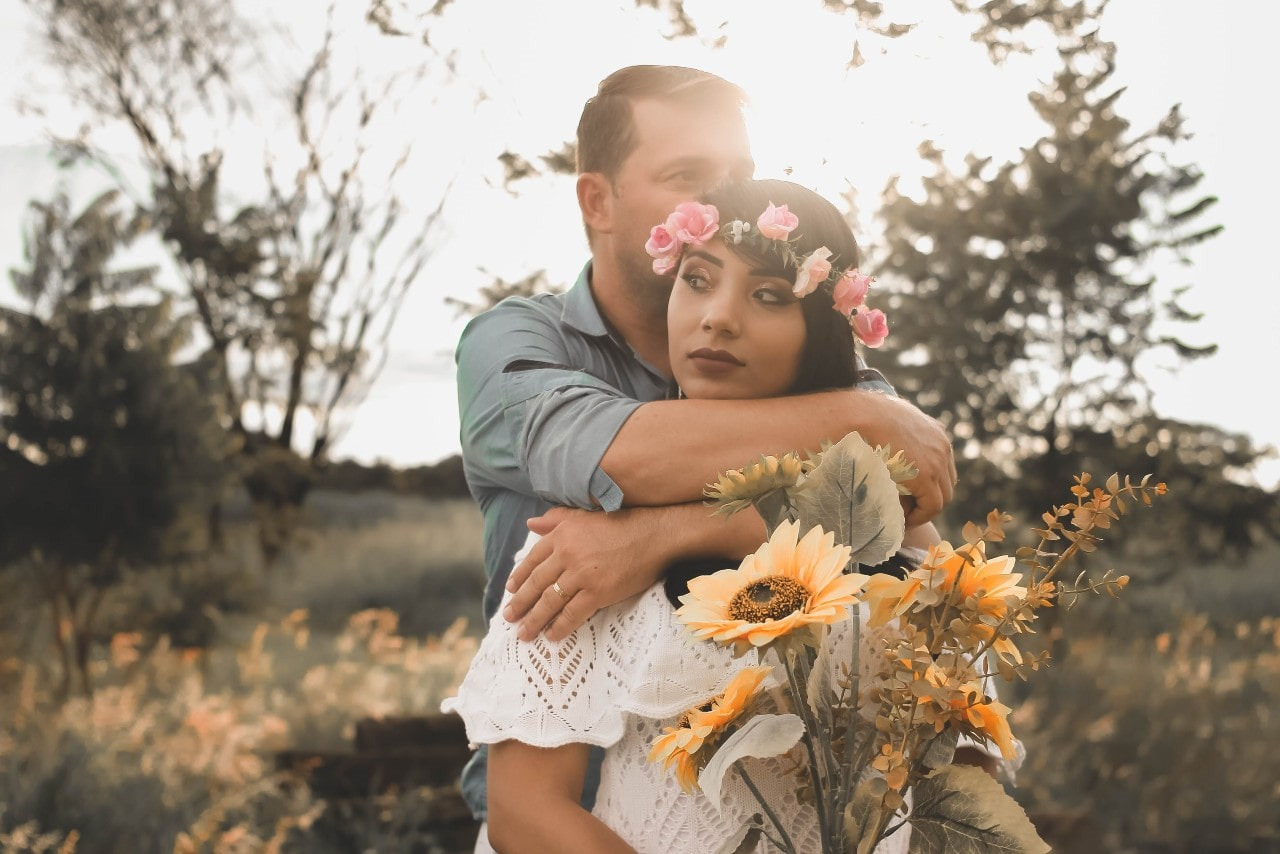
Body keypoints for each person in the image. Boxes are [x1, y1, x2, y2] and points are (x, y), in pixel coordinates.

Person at [453, 65, 957, 838]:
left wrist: (666, 534)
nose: (717, 201)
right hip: (566, 811)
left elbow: (903, 508)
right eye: (687, 176)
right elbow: (619, 457)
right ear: (598, 201)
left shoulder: (834, 390)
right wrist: (856, 431)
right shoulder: (518, 346)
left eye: (739, 177)